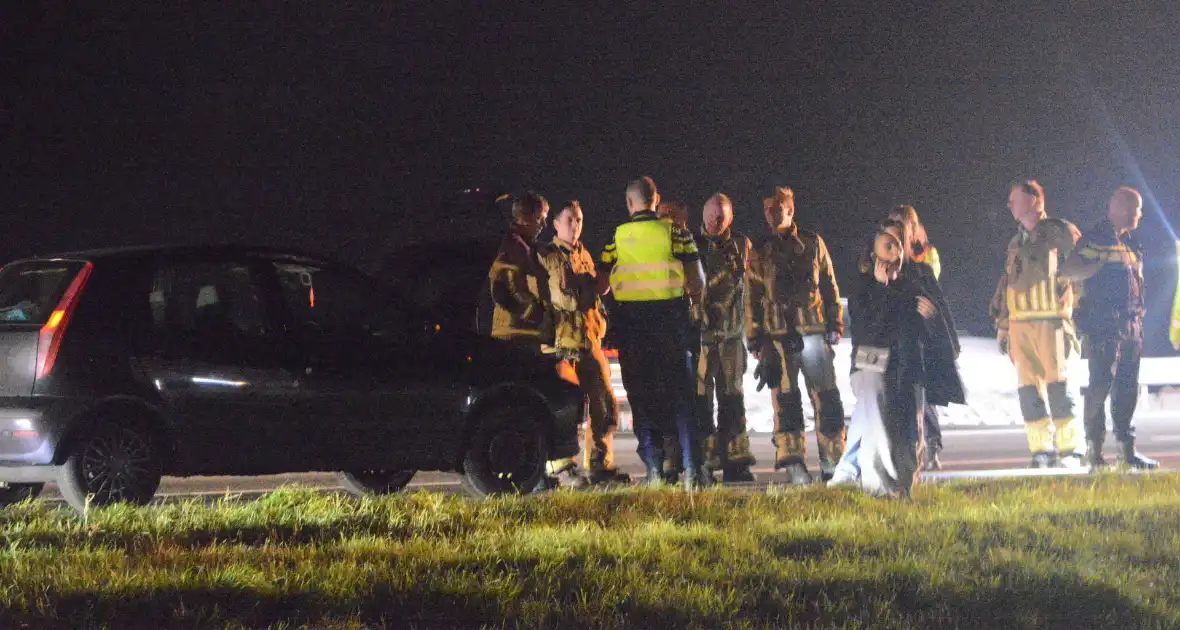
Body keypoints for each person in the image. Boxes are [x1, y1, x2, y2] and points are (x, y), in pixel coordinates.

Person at [828, 220, 963, 497]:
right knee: (877, 426)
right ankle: (878, 488)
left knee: (909, 428)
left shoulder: (913, 286)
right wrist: (882, 289)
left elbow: (925, 332)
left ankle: (903, 485)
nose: (896, 252)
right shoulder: (864, 288)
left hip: (909, 368)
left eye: (899, 247)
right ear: (874, 255)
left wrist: (931, 318)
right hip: (873, 367)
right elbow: (868, 330)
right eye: (888, 246)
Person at [599, 177, 709, 488]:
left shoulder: (617, 238)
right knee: (682, 399)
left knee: (642, 400)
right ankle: (692, 471)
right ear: (655, 199)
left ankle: (655, 470)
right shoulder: (677, 233)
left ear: (629, 204)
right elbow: (698, 284)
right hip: (671, 325)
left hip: (633, 329)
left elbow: (601, 284)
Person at [746, 187, 846, 484]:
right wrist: (755, 338)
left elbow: (829, 284)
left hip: (814, 333)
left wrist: (835, 323)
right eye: (767, 209)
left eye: (777, 208)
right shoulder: (759, 250)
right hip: (778, 339)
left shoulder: (813, 243)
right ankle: (793, 463)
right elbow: (750, 297)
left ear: (790, 210)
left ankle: (833, 462)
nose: (771, 214)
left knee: (827, 400)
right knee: (786, 404)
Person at [487, 192, 583, 489]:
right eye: (541, 218)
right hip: (515, 339)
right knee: (525, 407)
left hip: (527, 339)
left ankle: (538, 471)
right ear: (525, 217)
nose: (543, 224)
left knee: (532, 406)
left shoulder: (523, 247)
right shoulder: (512, 248)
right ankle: (530, 472)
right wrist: (536, 313)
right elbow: (502, 291)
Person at [1062, 187, 1159, 469]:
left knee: (1127, 389)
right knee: (1099, 387)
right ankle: (1093, 452)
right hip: (1104, 327)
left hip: (1130, 327)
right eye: (1137, 208)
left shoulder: (1131, 244)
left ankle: (1126, 452)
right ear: (1122, 208)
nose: (1140, 214)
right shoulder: (1095, 239)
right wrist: (1097, 264)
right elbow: (1070, 270)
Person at [990, 180, 1084, 468]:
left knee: (1059, 384)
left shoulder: (1060, 233)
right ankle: (1041, 449)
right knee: (1029, 389)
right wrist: (1003, 326)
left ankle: (1070, 450)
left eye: (1013, 199)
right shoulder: (1015, 242)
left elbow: (1084, 269)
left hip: (1051, 322)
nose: (1008, 204)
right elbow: (1008, 285)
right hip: (1021, 326)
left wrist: (1072, 307)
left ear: (1033, 200)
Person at [537, 201, 632, 485]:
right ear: (556, 224)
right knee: (564, 409)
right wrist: (590, 285)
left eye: (578, 219)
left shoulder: (584, 254)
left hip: (589, 342)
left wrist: (584, 283)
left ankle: (599, 465)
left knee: (604, 403)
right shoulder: (549, 255)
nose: (575, 226)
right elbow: (566, 298)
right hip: (562, 346)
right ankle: (561, 467)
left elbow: (595, 295)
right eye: (569, 220)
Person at [888, 205, 958, 471]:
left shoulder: (926, 254)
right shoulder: (885, 249)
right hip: (899, 329)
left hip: (923, 330)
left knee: (925, 393)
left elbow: (931, 287)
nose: (896, 228)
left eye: (901, 223)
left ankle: (931, 443)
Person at [693, 193, 757, 482]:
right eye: (711, 214)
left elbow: (752, 286)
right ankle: (705, 461)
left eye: (721, 215)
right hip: (703, 337)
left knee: (733, 398)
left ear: (730, 218)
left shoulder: (742, 245)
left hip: (732, 336)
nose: (714, 220)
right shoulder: (693, 244)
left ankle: (736, 461)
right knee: (702, 400)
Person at [655, 198, 708, 482]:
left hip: (690, 329)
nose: (668, 220)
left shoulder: (692, 242)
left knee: (693, 400)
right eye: (663, 214)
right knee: (669, 401)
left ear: (685, 215)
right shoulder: (659, 246)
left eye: (673, 215)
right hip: (668, 329)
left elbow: (698, 285)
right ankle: (671, 462)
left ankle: (696, 463)